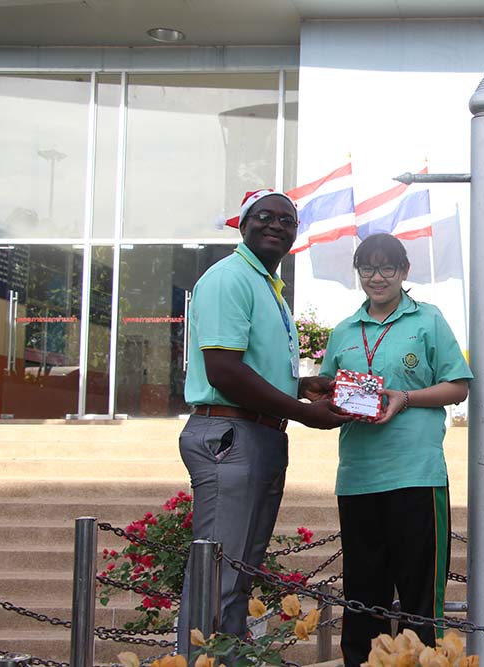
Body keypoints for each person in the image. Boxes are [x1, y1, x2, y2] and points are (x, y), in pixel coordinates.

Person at [176, 189, 351, 654]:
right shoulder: (229, 278)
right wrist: (304, 413)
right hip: (232, 435)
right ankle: (198, 661)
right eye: (265, 216)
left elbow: (249, 367)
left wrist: (301, 386)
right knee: (218, 576)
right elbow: (223, 372)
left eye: (287, 221)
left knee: (238, 577)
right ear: (242, 224)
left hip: (259, 434)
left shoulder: (266, 286)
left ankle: (225, 659)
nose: (276, 225)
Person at [319, 233, 473, 667]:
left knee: (420, 595)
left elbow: (457, 386)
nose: (377, 277)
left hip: (416, 475)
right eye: (368, 268)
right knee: (362, 595)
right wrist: (329, 400)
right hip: (358, 477)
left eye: (387, 267)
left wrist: (404, 398)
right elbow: (329, 391)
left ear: (404, 271)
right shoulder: (344, 331)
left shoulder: (428, 319)